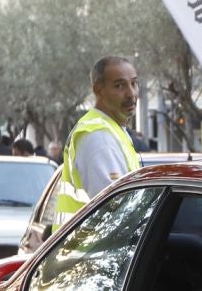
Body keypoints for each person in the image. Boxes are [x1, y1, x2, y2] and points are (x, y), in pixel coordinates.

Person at [55, 56, 141, 216]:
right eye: (119, 85)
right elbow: (116, 211)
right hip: (94, 241)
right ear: (98, 90)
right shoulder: (99, 137)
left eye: (134, 83)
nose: (131, 93)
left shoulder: (111, 130)